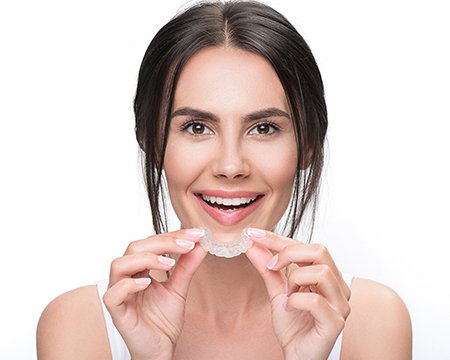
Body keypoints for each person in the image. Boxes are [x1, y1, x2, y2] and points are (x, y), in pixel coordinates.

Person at [37, 1, 412, 359]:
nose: (231, 166)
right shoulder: (79, 324)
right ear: (151, 142)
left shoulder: (373, 321)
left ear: (308, 145)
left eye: (263, 128)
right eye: (197, 127)